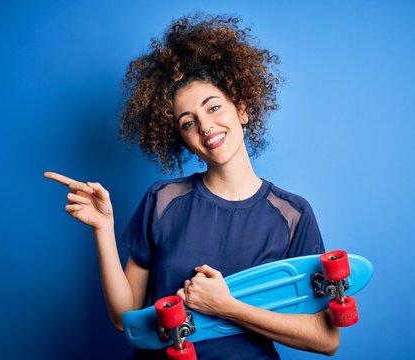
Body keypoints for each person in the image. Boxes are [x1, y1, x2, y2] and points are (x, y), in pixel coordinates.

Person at [44, 14, 339, 359]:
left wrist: (227, 306)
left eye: (214, 107)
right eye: (188, 123)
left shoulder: (293, 215)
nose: (206, 126)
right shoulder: (163, 201)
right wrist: (104, 229)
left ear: (242, 108)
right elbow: (125, 320)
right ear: (182, 139)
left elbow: (325, 338)